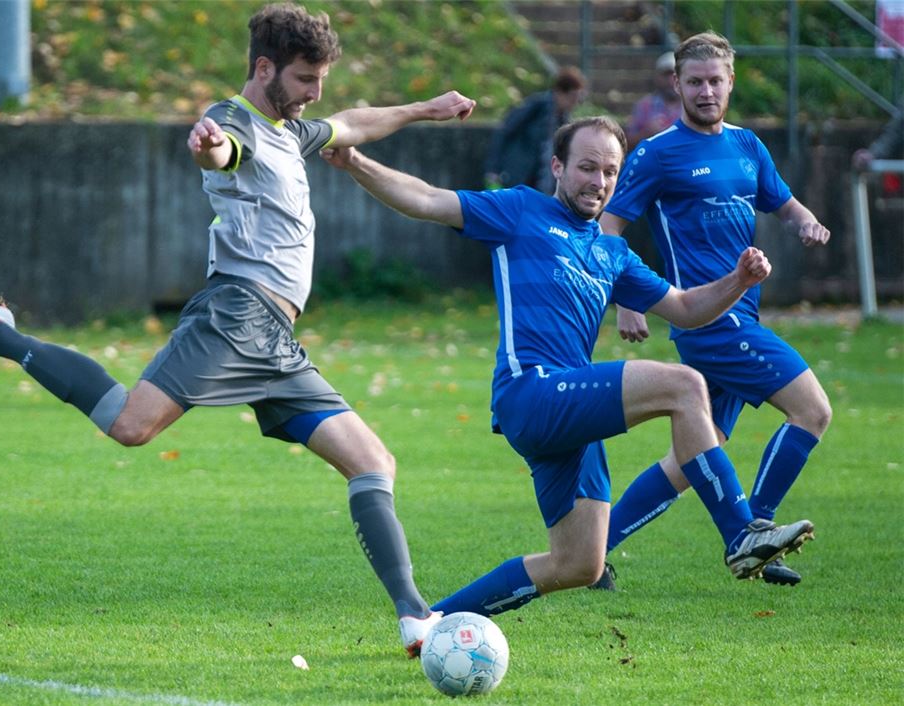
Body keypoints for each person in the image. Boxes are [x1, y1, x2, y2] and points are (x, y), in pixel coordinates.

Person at [0, 2, 477, 657]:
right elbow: (222, 151)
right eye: (304, 78)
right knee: (129, 425)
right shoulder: (236, 122)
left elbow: (352, 123)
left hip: (276, 341)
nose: (316, 93)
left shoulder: (291, 130)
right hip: (236, 316)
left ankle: (415, 618)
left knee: (373, 462)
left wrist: (424, 109)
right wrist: (210, 150)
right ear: (265, 68)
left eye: (321, 79)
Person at [321, 115, 814, 621]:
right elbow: (426, 199)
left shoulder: (613, 252)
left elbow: (686, 309)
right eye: (586, 167)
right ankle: (740, 533)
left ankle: (431, 624)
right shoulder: (520, 210)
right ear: (558, 167)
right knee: (684, 384)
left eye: (610, 172)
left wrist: (738, 281)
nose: (598, 182)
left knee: (578, 563)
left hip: (570, 416)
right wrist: (356, 162)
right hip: (531, 392)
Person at [598, 30, 832, 589]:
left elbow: (783, 202)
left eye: (715, 81)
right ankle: (755, 531)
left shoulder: (748, 146)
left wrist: (806, 222)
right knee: (812, 410)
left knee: (693, 456)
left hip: (742, 317)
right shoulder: (657, 153)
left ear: (731, 83)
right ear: (677, 84)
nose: (706, 92)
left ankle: (592, 553)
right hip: (707, 322)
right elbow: (608, 227)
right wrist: (627, 299)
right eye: (695, 82)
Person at [483, 66, 586, 194]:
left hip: (541, 183)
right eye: (572, 98)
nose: (575, 103)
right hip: (518, 175)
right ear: (560, 92)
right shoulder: (537, 106)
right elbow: (504, 132)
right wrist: (492, 169)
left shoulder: (564, 120)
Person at [625, 51, 681, 147]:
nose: (670, 80)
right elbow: (627, 142)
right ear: (657, 77)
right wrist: (647, 132)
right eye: (666, 75)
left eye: (674, 75)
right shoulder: (644, 105)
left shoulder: (691, 105)